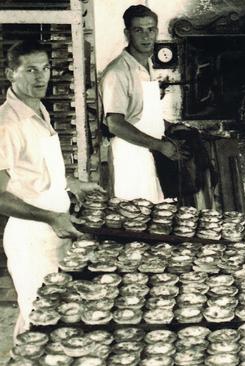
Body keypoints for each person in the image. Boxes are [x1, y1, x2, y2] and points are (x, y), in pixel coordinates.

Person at [0, 40, 102, 337]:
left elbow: (36, 171)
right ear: (10, 74)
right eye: (30, 70)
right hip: (32, 238)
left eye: (45, 68)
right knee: (38, 318)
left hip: (58, 228)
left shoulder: (38, 110)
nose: (40, 77)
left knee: (58, 316)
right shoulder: (7, 124)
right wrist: (50, 218)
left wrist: (74, 185)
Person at [100, 5, 186, 203]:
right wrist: (160, 146)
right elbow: (115, 124)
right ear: (127, 33)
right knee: (135, 218)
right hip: (130, 157)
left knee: (156, 217)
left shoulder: (146, 66)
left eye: (151, 29)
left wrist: (170, 126)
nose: (146, 36)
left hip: (150, 152)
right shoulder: (118, 72)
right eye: (139, 30)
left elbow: (141, 115)